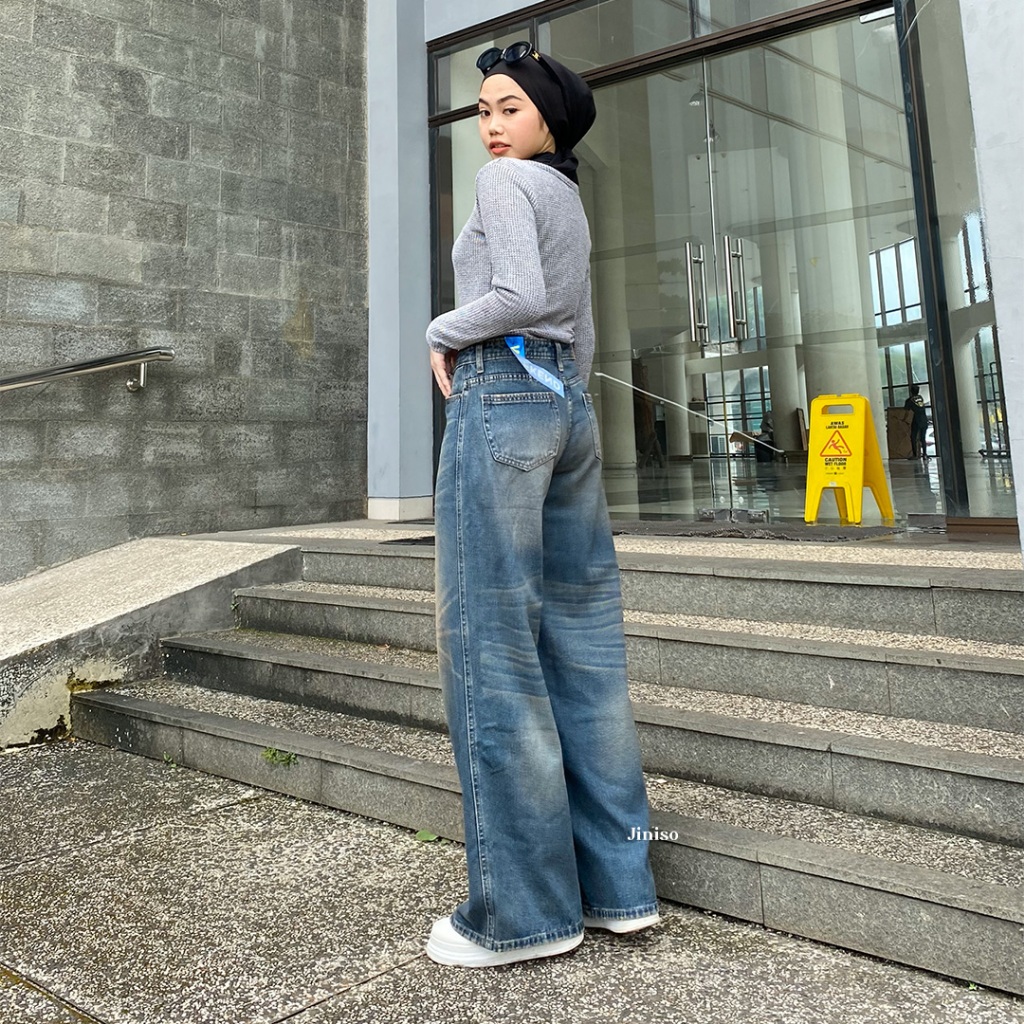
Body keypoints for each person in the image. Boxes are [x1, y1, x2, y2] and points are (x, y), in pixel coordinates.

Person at [423, 42, 659, 968]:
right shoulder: (566, 194)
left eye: (509, 107)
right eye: (483, 110)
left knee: (491, 641)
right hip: (566, 401)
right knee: (584, 645)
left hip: (501, 392)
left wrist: (442, 331)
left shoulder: (505, 185)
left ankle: (521, 916)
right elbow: (578, 323)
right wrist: (567, 404)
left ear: (550, 118)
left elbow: (517, 295)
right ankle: (621, 888)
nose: (490, 125)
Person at [904, 384, 929, 459]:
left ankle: (915, 455)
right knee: (922, 438)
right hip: (924, 419)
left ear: (910, 391)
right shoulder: (921, 398)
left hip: (916, 420)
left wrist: (904, 419)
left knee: (913, 437)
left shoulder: (909, 400)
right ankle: (925, 454)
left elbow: (906, 411)